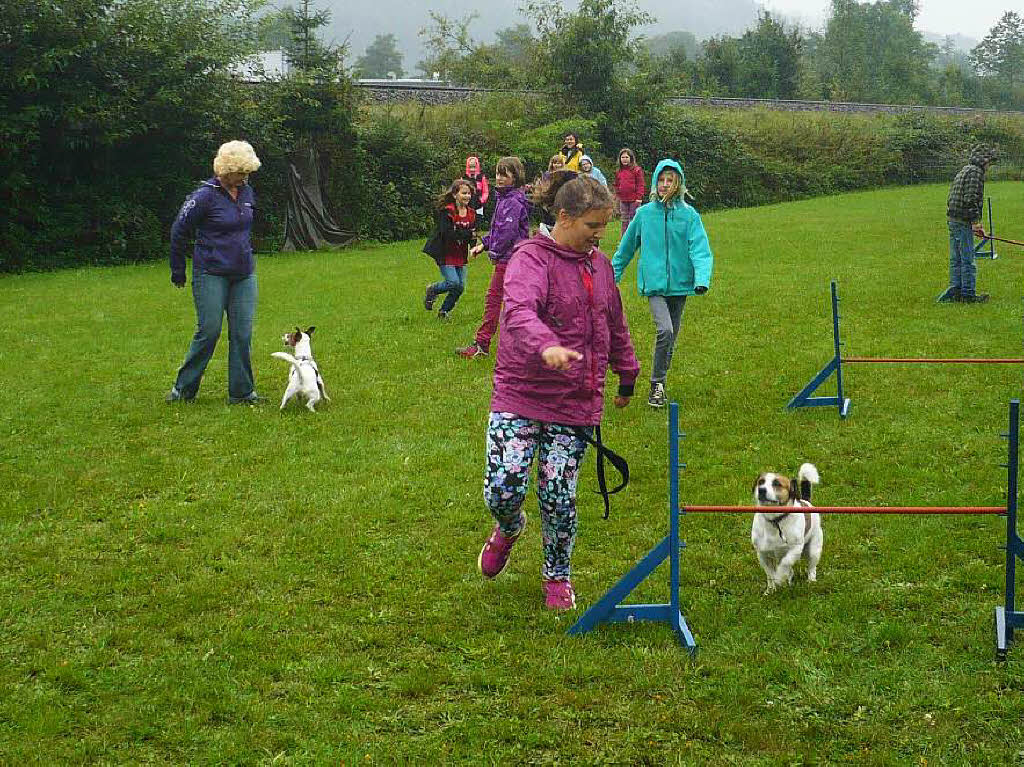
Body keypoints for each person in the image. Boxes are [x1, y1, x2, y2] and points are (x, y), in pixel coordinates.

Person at [476, 171, 640, 611]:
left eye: (603, 228)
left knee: (558, 494)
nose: (599, 237)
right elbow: (518, 311)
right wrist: (546, 343)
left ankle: (557, 576)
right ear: (564, 217)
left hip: (574, 402)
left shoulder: (600, 266)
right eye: (592, 227)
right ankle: (509, 528)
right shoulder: (529, 258)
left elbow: (614, 323)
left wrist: (627, 373)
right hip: (520, 394)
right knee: (503, 488)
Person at [167, 140, 263, 404]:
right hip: (210, 272)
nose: (244, 178)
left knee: (242, 333)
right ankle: (183, 390)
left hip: (243, 273)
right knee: (209, 331)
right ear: (226, 169)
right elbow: (178, 231)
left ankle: (243, 393)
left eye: (247, 173)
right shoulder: (204, 196)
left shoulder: (246, 192)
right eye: (241, 172)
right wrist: (178, 269)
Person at [611, 158, 713, 409]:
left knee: (671, 337)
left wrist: (701, 279)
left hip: (681, 285)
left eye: (671, 180)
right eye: (662, 180)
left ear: (679, 183)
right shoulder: (644, 214)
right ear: (656, 182)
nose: (666, 184)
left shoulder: (689, 216)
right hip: (654, 285)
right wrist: (611, 276)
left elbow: (700, 250)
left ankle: (660, 382)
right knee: (665, 330)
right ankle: (657, 383)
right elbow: (626, 249)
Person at [455, 157, 531, 358]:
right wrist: (484, 244)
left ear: (515, 177)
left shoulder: (513, 202)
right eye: (498, 173)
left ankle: (482, 344)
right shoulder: (504, 199)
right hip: (510, 258)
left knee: (496, 300)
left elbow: (507, 233)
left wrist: (494, 252)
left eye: (504, 174)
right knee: (510, 302)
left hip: (511, 259)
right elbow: (498, 230)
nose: (499, 178)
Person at [942, 144, 999, 303]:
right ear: (984, 160)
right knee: (967, 259)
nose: (989, 166)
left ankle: (955, 291)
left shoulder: (965, 169)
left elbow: (953, 197)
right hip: (962, 221)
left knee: (956, 259)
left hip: (953, 219)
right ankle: (968, 295)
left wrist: (975, 225)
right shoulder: (976, 172)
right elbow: (970, 199)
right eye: (989, 162)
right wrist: (975, 223)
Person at [423, 179, 477, 319]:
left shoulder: (471, 213)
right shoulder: (447, 212)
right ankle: (433, 289)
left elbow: (472, 232)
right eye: (464, 193)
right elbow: (447, 233)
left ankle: (444, 311)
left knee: (460, 287)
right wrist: (466, 234)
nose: (467, 196)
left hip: (461, 254)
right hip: (445, 253)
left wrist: (473, 244)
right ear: (454, 195)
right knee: (453, 282)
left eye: (469, 193)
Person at [613, 148, 645, 233]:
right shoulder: (618, 171)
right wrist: (617, 194)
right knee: (624, 221)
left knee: (633, 220)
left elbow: (640, 184)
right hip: (623, 200)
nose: (624, 159)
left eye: (626, 157)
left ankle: (634, 239)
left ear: (631, 158)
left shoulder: (637, 170)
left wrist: (639, 197)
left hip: (634, 200)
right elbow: (616, 184)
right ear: (620, 159)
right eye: (622, 157)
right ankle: (624, 241)